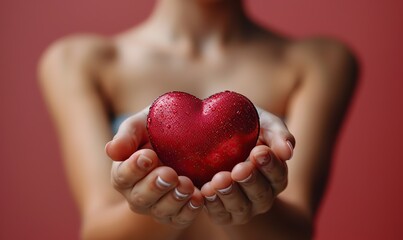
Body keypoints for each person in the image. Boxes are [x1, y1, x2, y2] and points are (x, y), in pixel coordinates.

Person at [38, 0, 358, 239]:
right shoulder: (77, 62)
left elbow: (296, 232)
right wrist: (156, 203)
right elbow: (97, 232)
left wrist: (249, 204)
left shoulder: (320, 62)